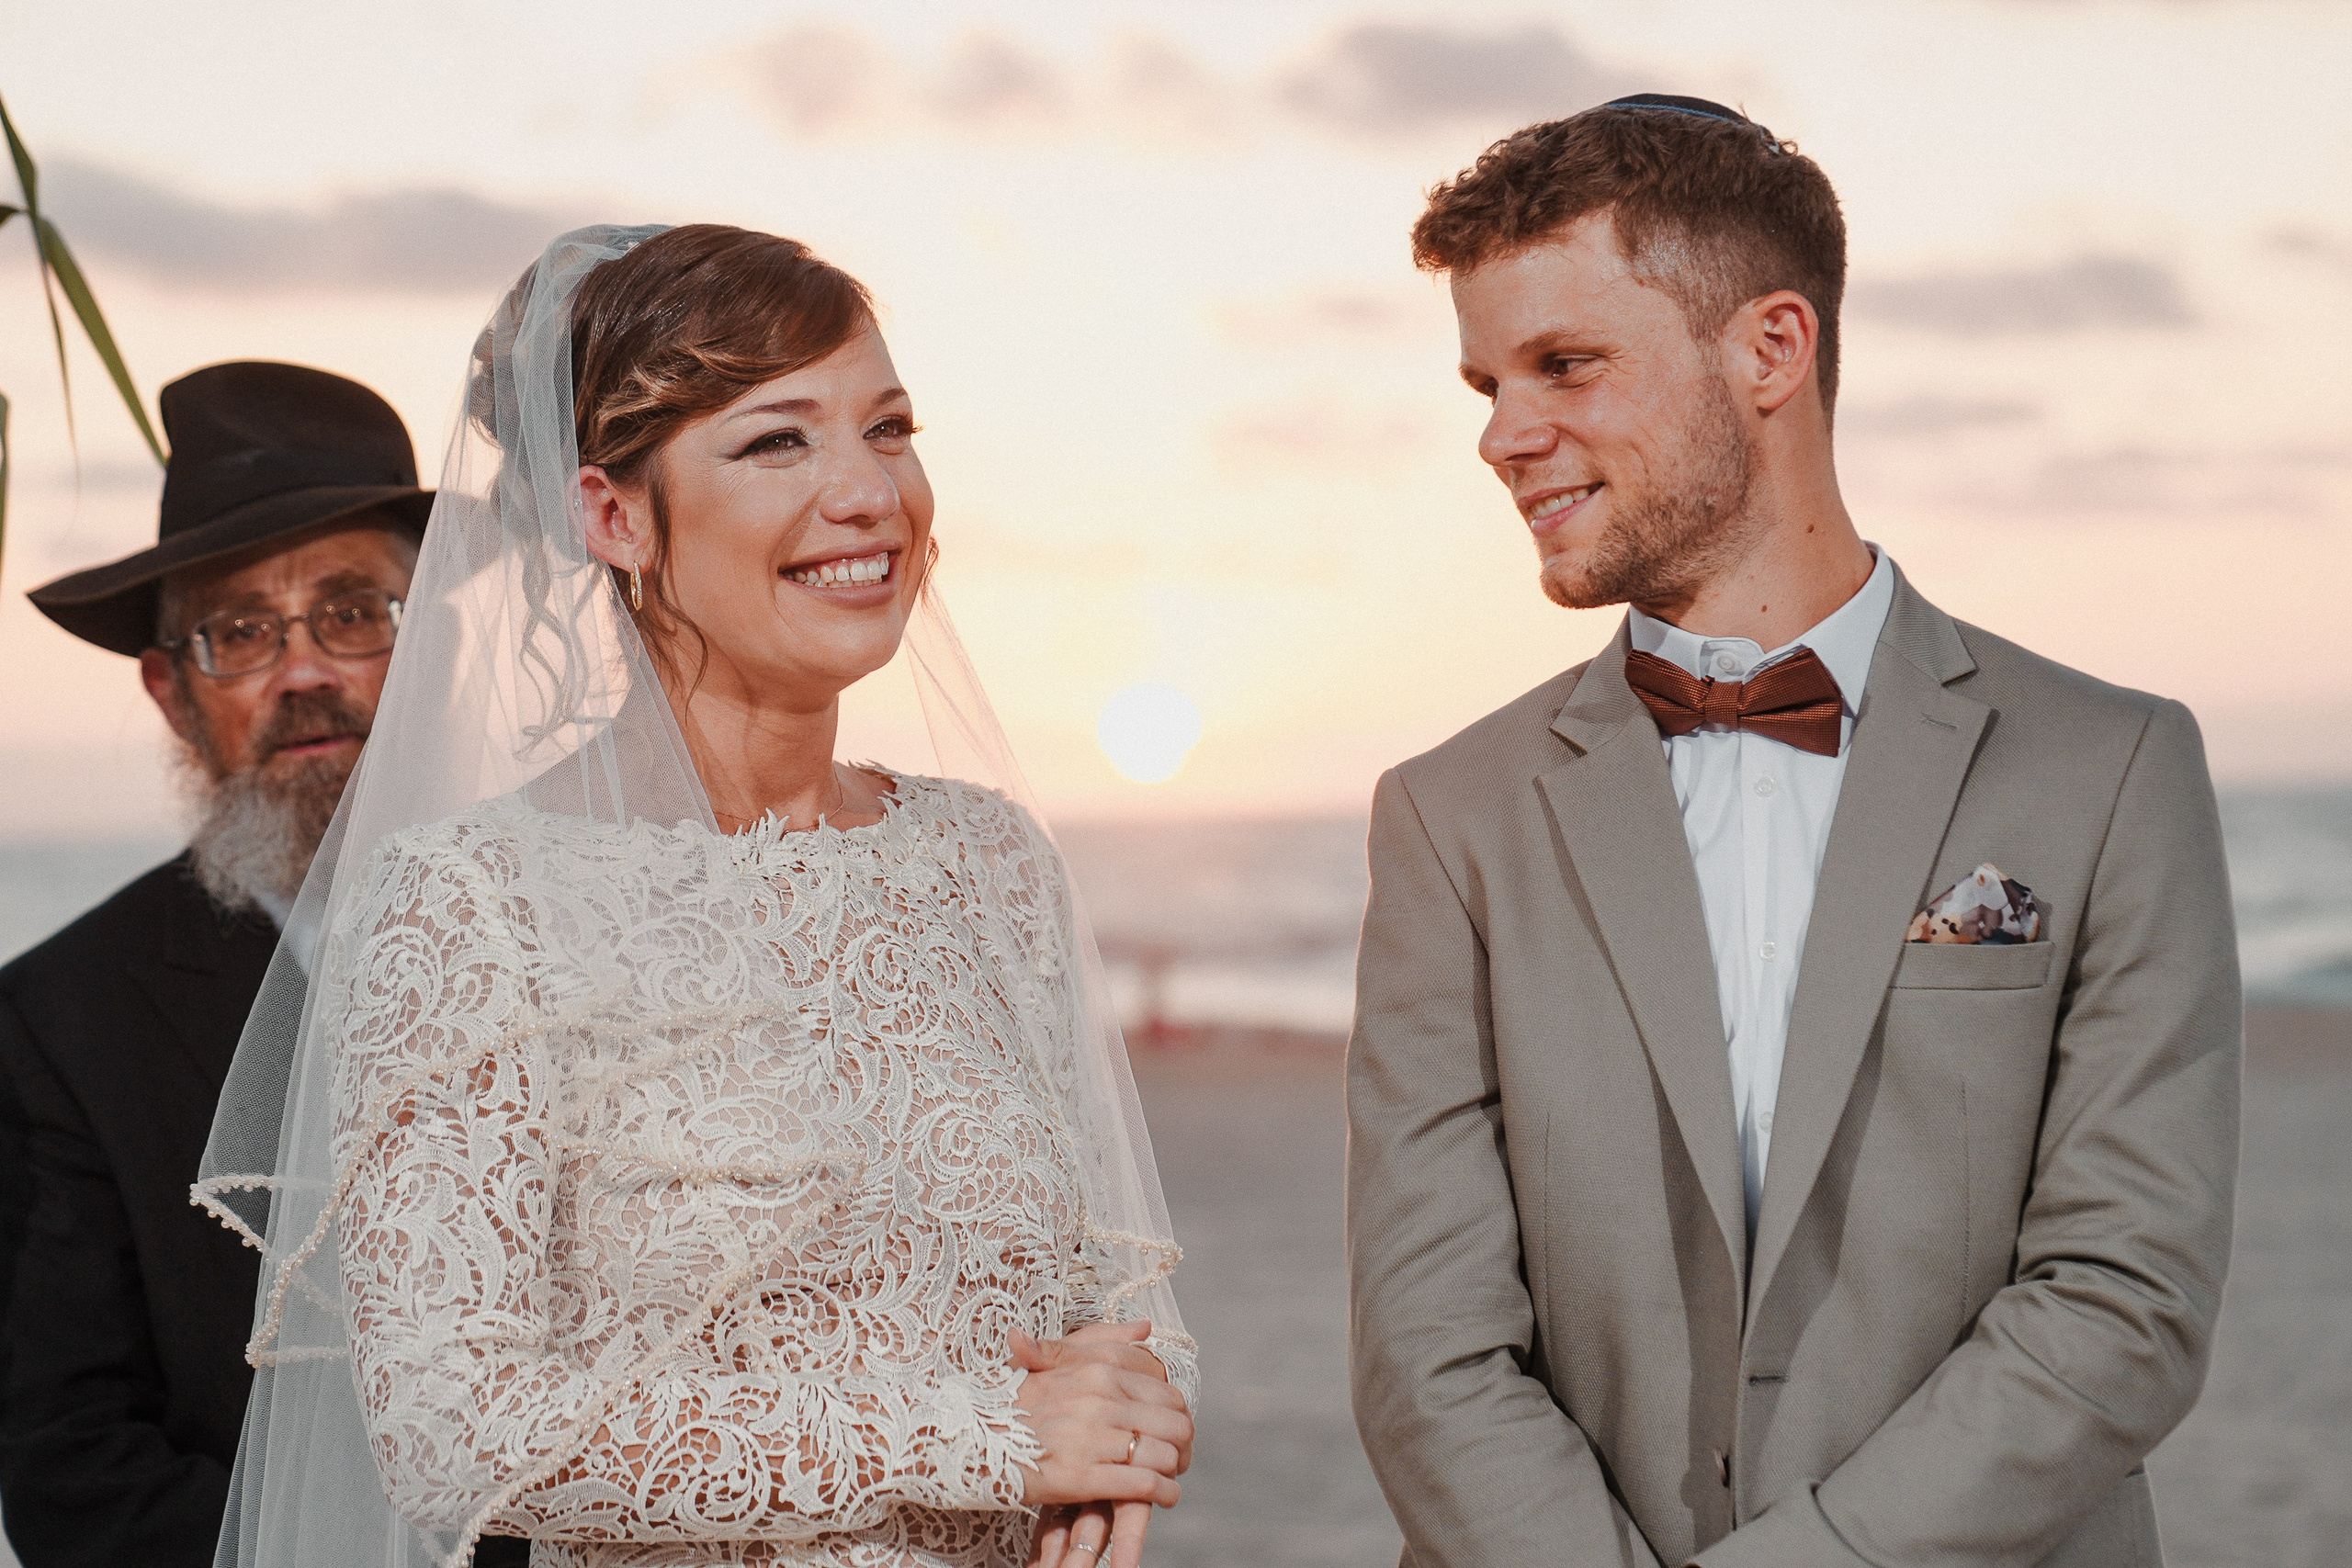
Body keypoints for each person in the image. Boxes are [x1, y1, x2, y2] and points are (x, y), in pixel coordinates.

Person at [190, 224, 1197, 1568]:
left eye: (889, 429)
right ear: (613, 516)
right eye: (779, 442)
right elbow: (454, 1428)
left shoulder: (987, 861)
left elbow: (1119, 1284)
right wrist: (996, 1440)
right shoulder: (468, 902)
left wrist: (1126, 1433)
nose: (870, 494)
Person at [1346, 96, 2239, 1567]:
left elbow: (2124, 1298)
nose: (1505, 436)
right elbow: (1425, 1348)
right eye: (1486, 383)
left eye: (1563, 364)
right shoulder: (1447, 817)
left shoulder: (2115, 768)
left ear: (1772, 349)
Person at [0, 362, 453, 1568]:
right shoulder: (60, 1022)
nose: (304, 671)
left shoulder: (598, 928)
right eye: (242, 631)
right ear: (172, 692)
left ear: (441, 644)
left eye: (355, 612)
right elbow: (71, 1473)